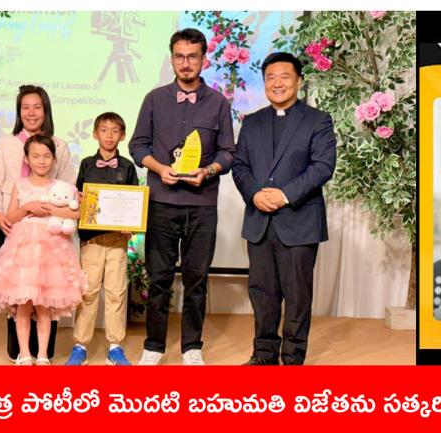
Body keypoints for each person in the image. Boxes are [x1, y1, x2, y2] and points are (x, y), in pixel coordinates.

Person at [129, 28, 235, 365]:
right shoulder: (154, 99)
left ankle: (192, 347)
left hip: (202, 206)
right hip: (161, 202)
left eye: (192, 57)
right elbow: (137, 145)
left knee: (196, 280)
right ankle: (154, 346)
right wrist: (159, 168)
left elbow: (228, 153)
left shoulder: (219, 103)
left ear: (203, 59)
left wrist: (209, 170)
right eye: (179, 56)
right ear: (172, 59)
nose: (185, 63)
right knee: (158, 279)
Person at [232, 52, 336, 366]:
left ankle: (292, 358)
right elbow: (240, 166)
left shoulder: (318, 120)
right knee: (261, 292)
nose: (277, 83)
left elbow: (323, 166)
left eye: (285, 76)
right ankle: (263, 355)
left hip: (299, 220)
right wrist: (254, 195)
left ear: (298, 81)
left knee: (297, 295)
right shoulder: (252, 122)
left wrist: (285, 195)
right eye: (271, 78)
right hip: (259, 220)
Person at [0, 85, 76, 361]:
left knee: (48, 291)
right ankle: (21, 350)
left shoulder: (59, 145)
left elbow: (68, 184)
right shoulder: (5, 144)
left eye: (37, 107)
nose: (31, 113)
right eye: (25, 107)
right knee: (18, 291)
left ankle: (43, 351)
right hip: (13, 227)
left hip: (51, 234)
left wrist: (62, 208)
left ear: (46, 111)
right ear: (18, 111)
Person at [65, 112, 139, 366]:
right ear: (95, 134)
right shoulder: (86, 164)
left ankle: (115, 347)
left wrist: (131, 223)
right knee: (88, 292)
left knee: (117, 292)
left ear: (122, 135)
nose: (109, 135)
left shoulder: (128, 167)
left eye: (115, 131)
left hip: (118, 241)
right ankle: (80, 346)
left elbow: (134, 201)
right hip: (92, 241)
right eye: (104, 130)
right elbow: (78, 198)